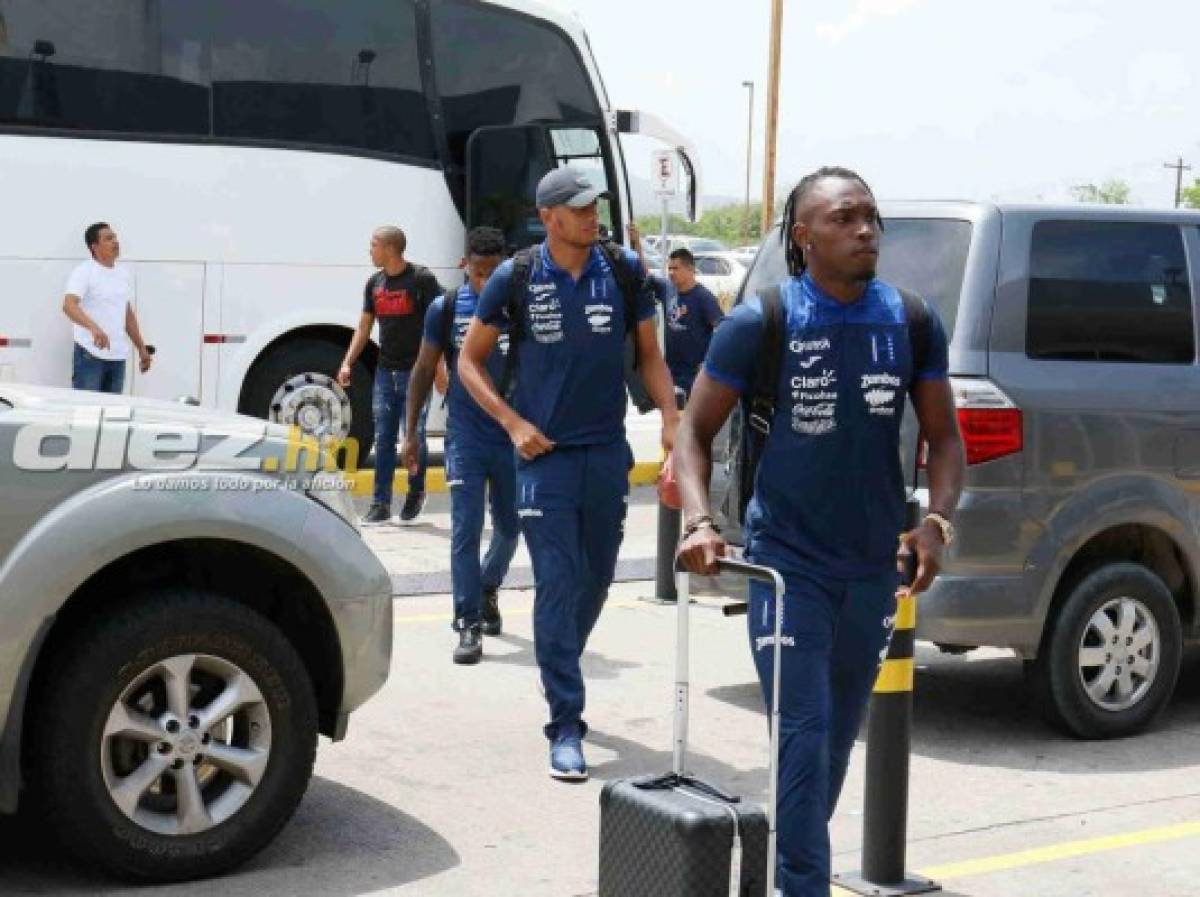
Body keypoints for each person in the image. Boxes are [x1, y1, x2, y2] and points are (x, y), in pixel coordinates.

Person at [673, 167, 966, 896]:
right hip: (786, 568)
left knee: (830, 746)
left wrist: (934, 522)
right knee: (801, 740)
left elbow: (946, 439)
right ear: (805, 236)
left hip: (872, 571)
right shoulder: (761, 321)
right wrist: (700, 518)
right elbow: (693, 433)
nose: (866, 229)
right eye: (845, 218)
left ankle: (786, 874)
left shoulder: (910, 320)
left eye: (871, 215)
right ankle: (804, 885)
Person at [458, 167, 680, 781]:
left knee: (597, 580)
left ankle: (561, 661)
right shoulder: (517, 277)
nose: (592, 216)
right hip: (543, 459)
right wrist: (511, 424)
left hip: (606, 454)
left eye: (594, 206)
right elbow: (470, 363)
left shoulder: (626, 271)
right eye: (579, 208)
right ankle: (565, 721)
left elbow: (653, 357)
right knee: (558, 580)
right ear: (549, 216)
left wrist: (670, 416)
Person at [401, 227, 519, 665]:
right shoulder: (446, 308)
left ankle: (488, 586)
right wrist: (410, 432)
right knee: (465, 530)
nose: (487, 281)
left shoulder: (520, 307)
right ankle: (467, 622)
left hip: (510, 435)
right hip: (466, 436)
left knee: (510, 526)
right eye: (480, 272)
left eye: (495, 273)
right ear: (465, 265)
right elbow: (423, 368)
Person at [339, 226, 443, 525]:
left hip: (416, 372)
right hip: (386, 371)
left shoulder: (421, 279)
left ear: (390, 248)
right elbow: (363, 327)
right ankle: (380, 502)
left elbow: (437, 325)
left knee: (414, 436)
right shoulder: (374, 283)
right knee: (383, 438)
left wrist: (439, 368)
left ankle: (415, 493)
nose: (369, 250)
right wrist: (347, 362)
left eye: (374, 245)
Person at [629, 224, 723, 401]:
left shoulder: (703, 297)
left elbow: (722, 330)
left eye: (676, 268)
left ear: (690, 269)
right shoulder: (667, 288)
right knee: (673, 416)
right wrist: (637, 245)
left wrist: (709, 362)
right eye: (669, 268)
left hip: (695, 375)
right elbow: (644, 275)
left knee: (690, 421)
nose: (671, 272)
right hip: (671, 371)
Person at [63, 222, 154, 394]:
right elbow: (68, 305)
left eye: (115, 237)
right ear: (94, 246)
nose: (115, 242)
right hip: (90, 356)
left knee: (112, 414)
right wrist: (94, 328)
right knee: (87, 412)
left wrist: (141, 348)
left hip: (117, 357)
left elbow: (126, 314)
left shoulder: (122, 274)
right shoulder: (84, 272)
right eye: (109, 238)